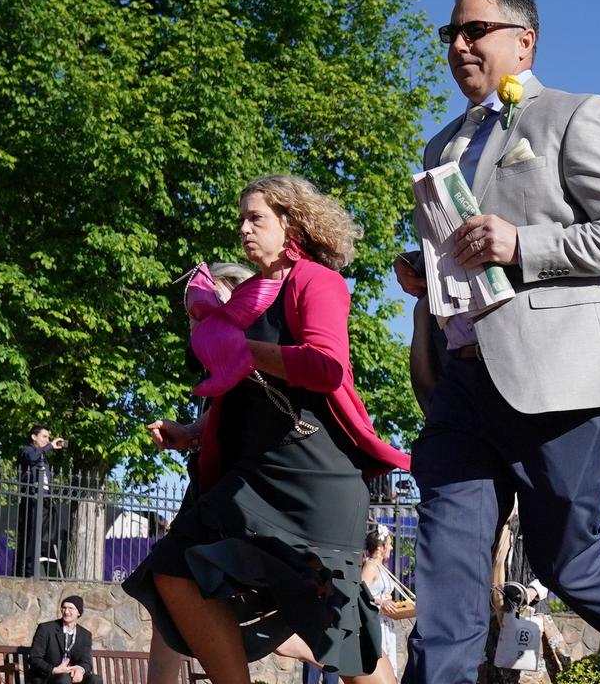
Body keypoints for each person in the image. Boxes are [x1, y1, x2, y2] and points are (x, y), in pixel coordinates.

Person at [392, 0, 600, 683]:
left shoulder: (572, 114)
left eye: (476, 30)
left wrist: (521, 244)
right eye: (452, 33)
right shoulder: (442, 145)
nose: (459, 44)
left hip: (561, 379)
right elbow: (462, 248)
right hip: (464, 382)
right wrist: (426, 269)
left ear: (524, 42)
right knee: (446, 560)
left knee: (566, 556)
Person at [124, 174, 410, 684]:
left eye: (255, 218)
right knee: (173, 566)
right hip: (256, 478)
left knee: (342, 634)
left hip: (314, 483)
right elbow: (242, 393)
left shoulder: (317, 281)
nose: (244, 229)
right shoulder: (251, 293)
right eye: (242, 219)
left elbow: (327, 368)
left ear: (290, 221)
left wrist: (244, 351)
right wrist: (191, 431)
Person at [145, 262, 256, 684]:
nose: (198, 321)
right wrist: (190, 433)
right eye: (192, 314)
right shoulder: (217, 367)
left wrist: (195, 434)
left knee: (312, 617)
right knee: (167, 587)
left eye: (209, 308)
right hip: (206, 492)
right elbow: (217, 423)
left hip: (241, 499)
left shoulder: (256, 352)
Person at [16, 424, 65, 577]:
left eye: (48, 438)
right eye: (44, 436)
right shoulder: (27, 451)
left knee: (48, 533)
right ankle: (27, 572)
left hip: (45, 501)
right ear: (34, 437)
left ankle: (46, 561)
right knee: (30, 534)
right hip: (32, 499)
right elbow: (31, 458)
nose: (47, 440)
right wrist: (50, 446)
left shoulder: (45, 458)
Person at [362, 525, 402, 679]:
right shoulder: (370, 567)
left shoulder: (382, 568)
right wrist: (381, 602)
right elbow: (361, 594)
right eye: (389, 544)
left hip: (386, 625)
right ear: (381, 547)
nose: (391, 548)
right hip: (375, 623)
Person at [29, 595, 93, 684]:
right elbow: (34, 658)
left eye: (70, 608)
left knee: (95, 680)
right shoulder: (46, 629)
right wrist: (54, 670)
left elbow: (86, 662)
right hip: (48, 677)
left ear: (79, 612)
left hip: (71, 676)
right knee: (63, 679)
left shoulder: (85, 635)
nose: (66, 612)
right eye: (64, 608)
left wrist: (80, 670)